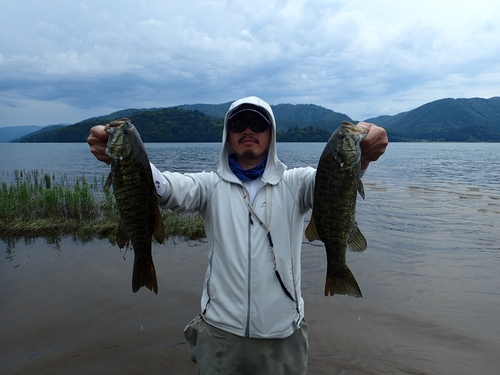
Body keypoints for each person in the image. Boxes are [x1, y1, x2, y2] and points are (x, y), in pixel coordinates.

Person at [88, 96, 388, 375]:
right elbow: (165, 187)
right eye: (238, 124)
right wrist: (124, 159)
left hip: (282, 336)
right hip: (218, 334)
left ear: (271, 134)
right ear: (227, 134)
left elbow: (336, 181)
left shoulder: (296, 183)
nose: (248, 130)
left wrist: (366, 153)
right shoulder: (209, 185)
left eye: (258, 124)